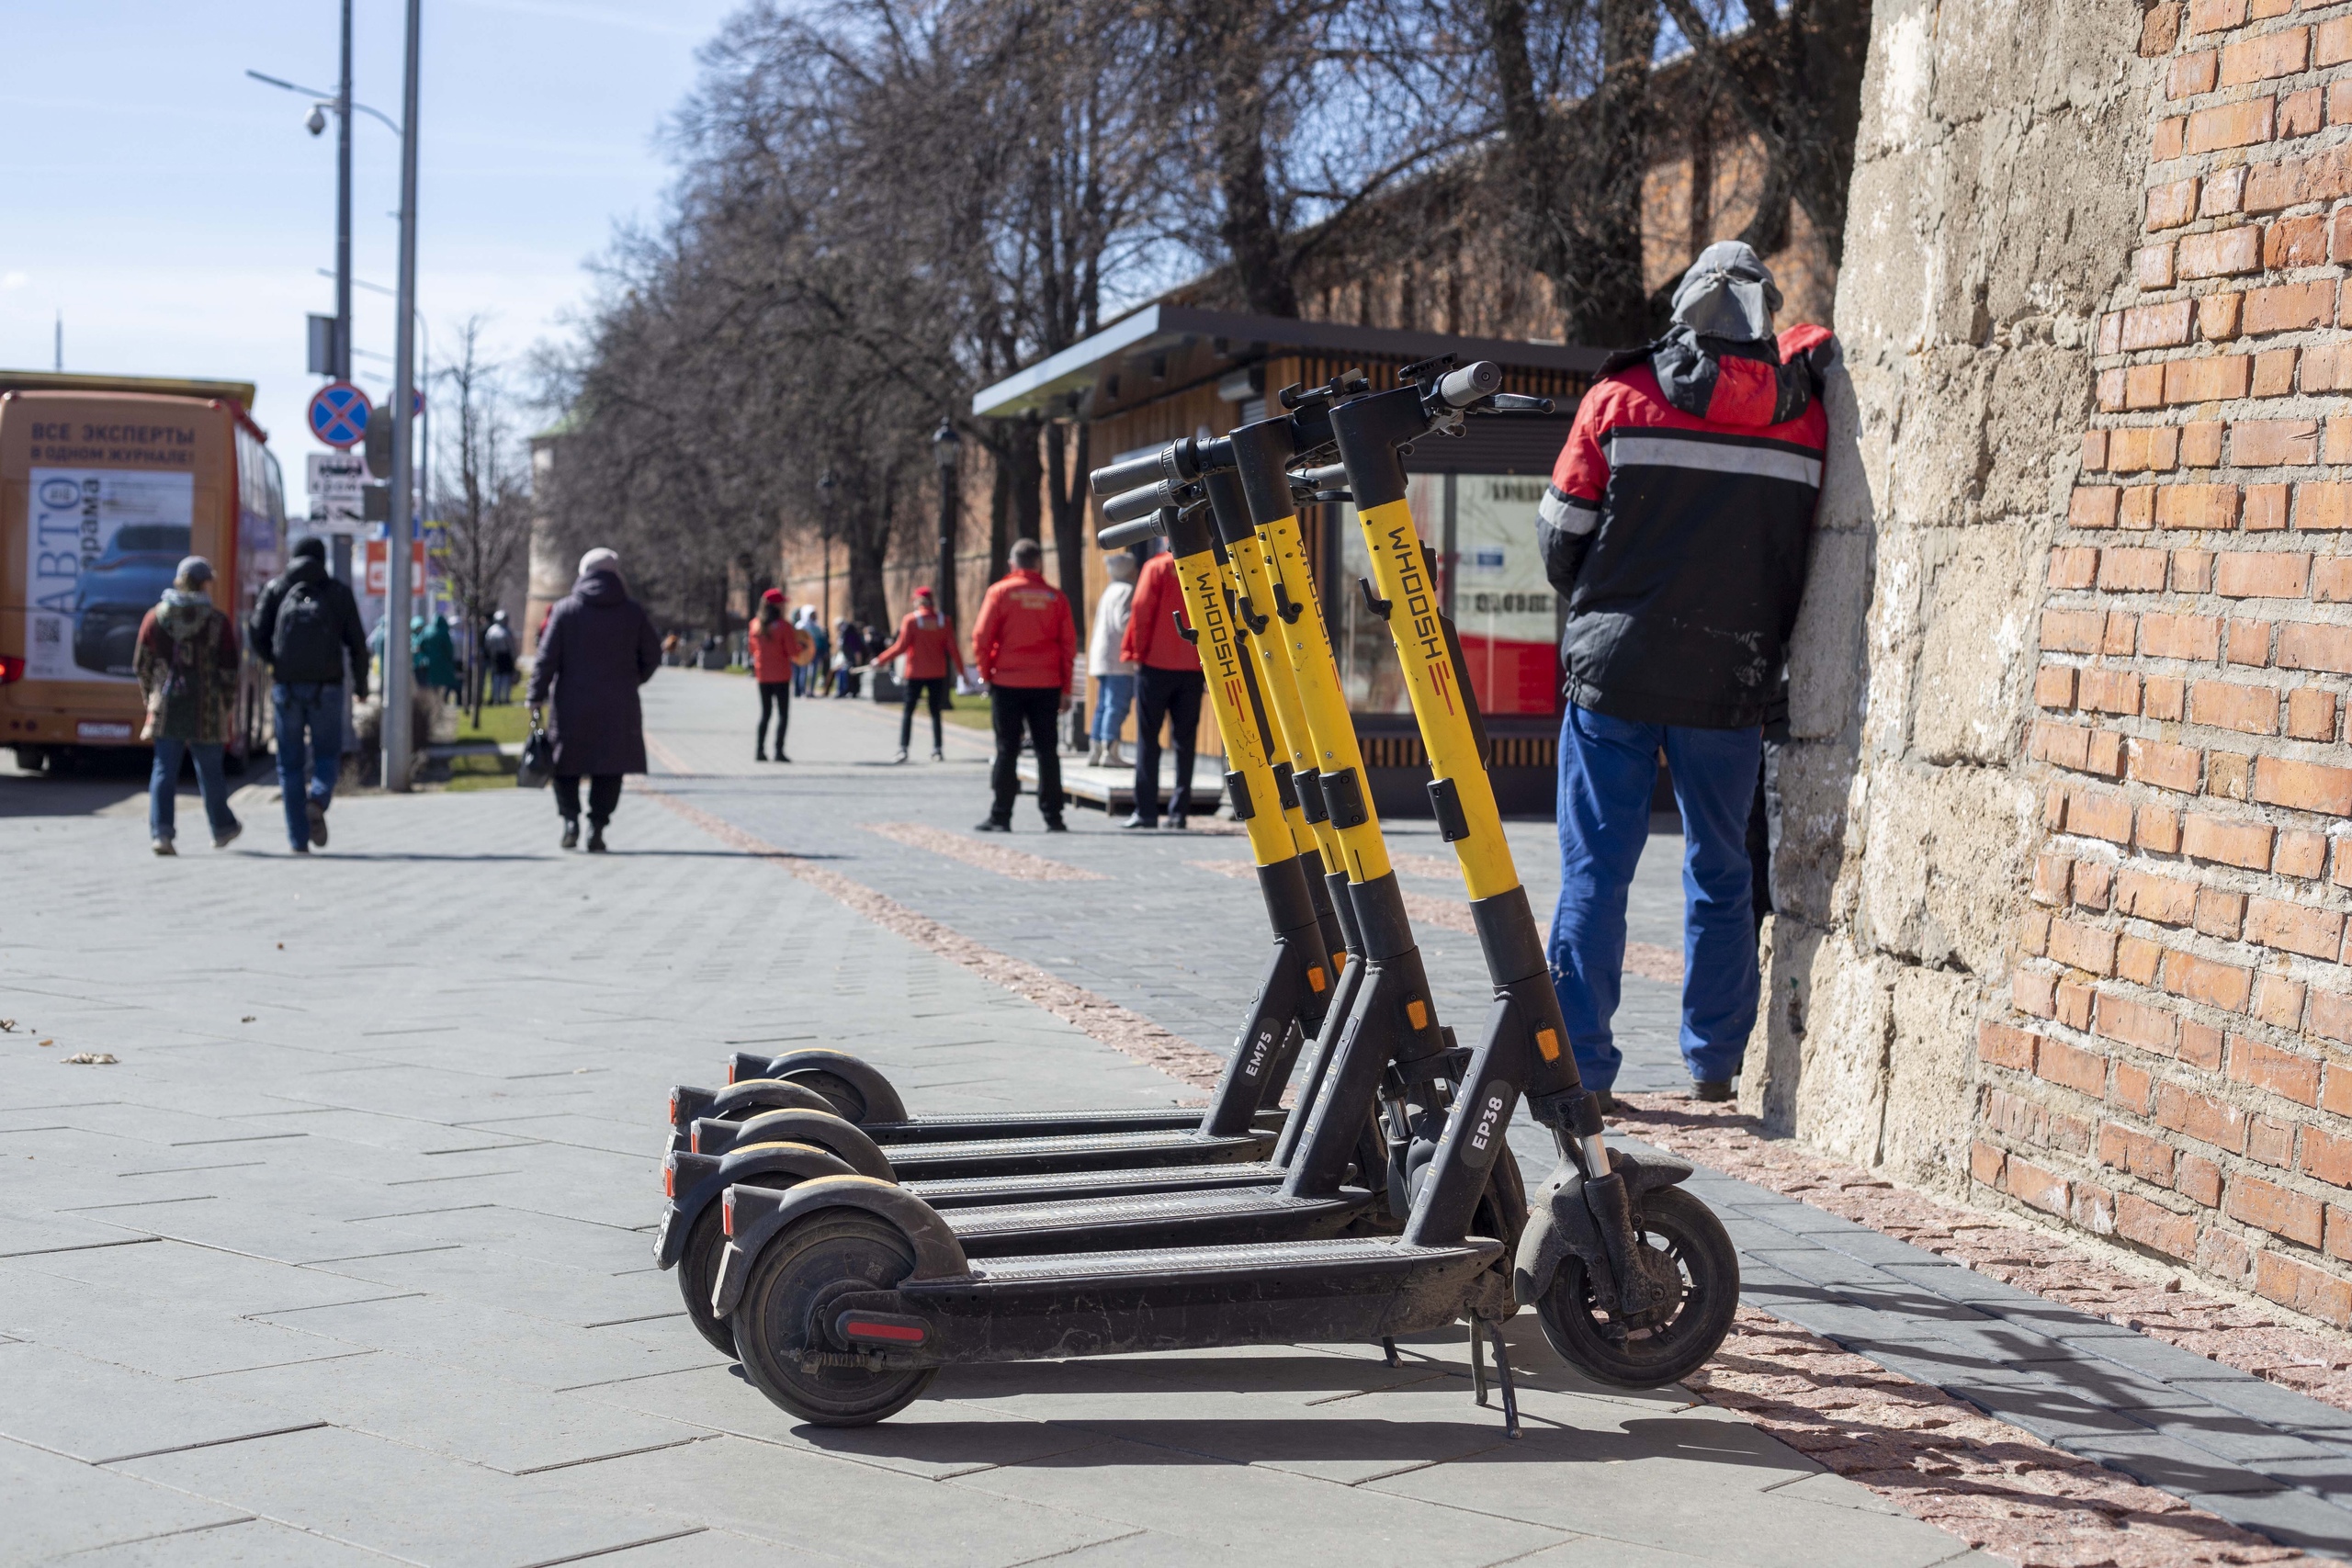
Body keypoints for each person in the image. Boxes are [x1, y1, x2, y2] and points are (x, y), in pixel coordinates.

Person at [1534, 241, 1833, 1109]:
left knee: (1597, 871)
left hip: (1615, 674)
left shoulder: (1617, 400)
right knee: (1721, 871)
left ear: (1683, 310)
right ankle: (1713, 1064)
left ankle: (1582, 1070)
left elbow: (1561, 543)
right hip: (1730, 676)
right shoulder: (1805, 416)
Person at [527, 547, 661, 852]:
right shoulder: (632, 612)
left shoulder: (565, 610)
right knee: (609, 767)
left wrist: (535, 696)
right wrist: (633, 679)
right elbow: (653, 655)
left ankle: (570, 821)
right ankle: (597, 827)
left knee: (565, 766)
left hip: (570, 704)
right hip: (618, 705)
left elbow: (546, 659)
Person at [251, 535, 369, 853]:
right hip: (327, 688)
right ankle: (317, 798)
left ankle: (297, 840)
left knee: (289, 766)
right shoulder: (337, 593)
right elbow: (358, 644)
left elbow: (255, 632)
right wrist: (361, 687)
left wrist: (275, 663)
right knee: (327, 755)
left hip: (286, 688)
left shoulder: (277, 590)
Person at [135, 556, 243, 855]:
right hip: (206, 708)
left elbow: (141, 664)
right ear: (205, 583)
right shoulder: (216, 622)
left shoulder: (155, 617)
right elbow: (229, 670)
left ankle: (162, 834)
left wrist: (151, 697)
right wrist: (226, 703)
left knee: (164, 770)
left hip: (167, 706)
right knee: (210, 770)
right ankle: (222, 829)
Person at [969, 538, 1075, 833]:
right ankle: (1054, 817)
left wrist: (986, 673)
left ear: (1012, 564)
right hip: (1046, 683)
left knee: (1007, 749)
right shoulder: (1055, 597)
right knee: (1047, 751)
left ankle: (1001, 816)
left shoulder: (1000, 592)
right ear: (1039, 563)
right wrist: (1065, 689)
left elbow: (981, 636)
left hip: (1007, 682)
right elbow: (1068, 646)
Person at [1120, 541, 1204, 829]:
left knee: (1148, 739)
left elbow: (1141, 611)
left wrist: (1136, 653)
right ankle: (1179, 813)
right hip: (1193, 667)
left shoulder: (1156, 567)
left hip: (1156, 665)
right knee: (1185, 742)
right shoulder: (1205, 565)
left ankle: (1146, 811)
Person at [871, 585, 964, 763]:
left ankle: (903, 749)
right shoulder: (943, 621)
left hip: (916, 673)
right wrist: (962, 673)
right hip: (937, 673)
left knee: (908, 711)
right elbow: (953, 649)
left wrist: (880, 659)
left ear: (918, 601)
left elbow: (901, 647)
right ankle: (937, 749)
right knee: (935, 711)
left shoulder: (911, 620)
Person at [1086, 553, 1137, 769]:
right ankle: (1110, 750)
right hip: (1118, 660)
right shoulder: (1126, 590)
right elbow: (1124, 623)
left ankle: (1096, 749)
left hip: (1103, 658)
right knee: (1117, 706)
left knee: (1104, 706)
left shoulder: (1110, 590)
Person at [748, 588, 811, 761]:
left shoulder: (755, 625)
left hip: (763, 676)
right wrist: (803, 647)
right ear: (778, 606)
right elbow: (792, 652)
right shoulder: (784, 627)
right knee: (783, 714)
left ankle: (759, 751)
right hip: (781, 676)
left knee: (765, 714)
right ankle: (778, 751)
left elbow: (752, 649)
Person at [415, 612, 458, 704]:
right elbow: (449, 649)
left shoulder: (427, 631)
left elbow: (420, 645)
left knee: (432, 684)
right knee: (445, 684)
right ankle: (441, 702)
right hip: (443, 663)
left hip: (430, 663)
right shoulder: (444, 632)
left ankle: (434, 702)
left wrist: (427, 654)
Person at [485, 610, 518, 705]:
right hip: (502, 657)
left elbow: (488, 645)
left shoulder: (491, 630)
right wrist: (514, 657)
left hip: (499, 657)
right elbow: (512, 646)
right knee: (500, 678)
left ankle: (500, 698)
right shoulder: (505, 631)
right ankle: (501, 698)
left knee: (502, 678)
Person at [831, 619, 864, 698]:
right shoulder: (843, 634)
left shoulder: (850, 634)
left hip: (851, 658)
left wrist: (858, 659)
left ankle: (851, 691)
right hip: (846, 658)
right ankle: (844, 691)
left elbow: (856, 648)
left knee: (852, 674)